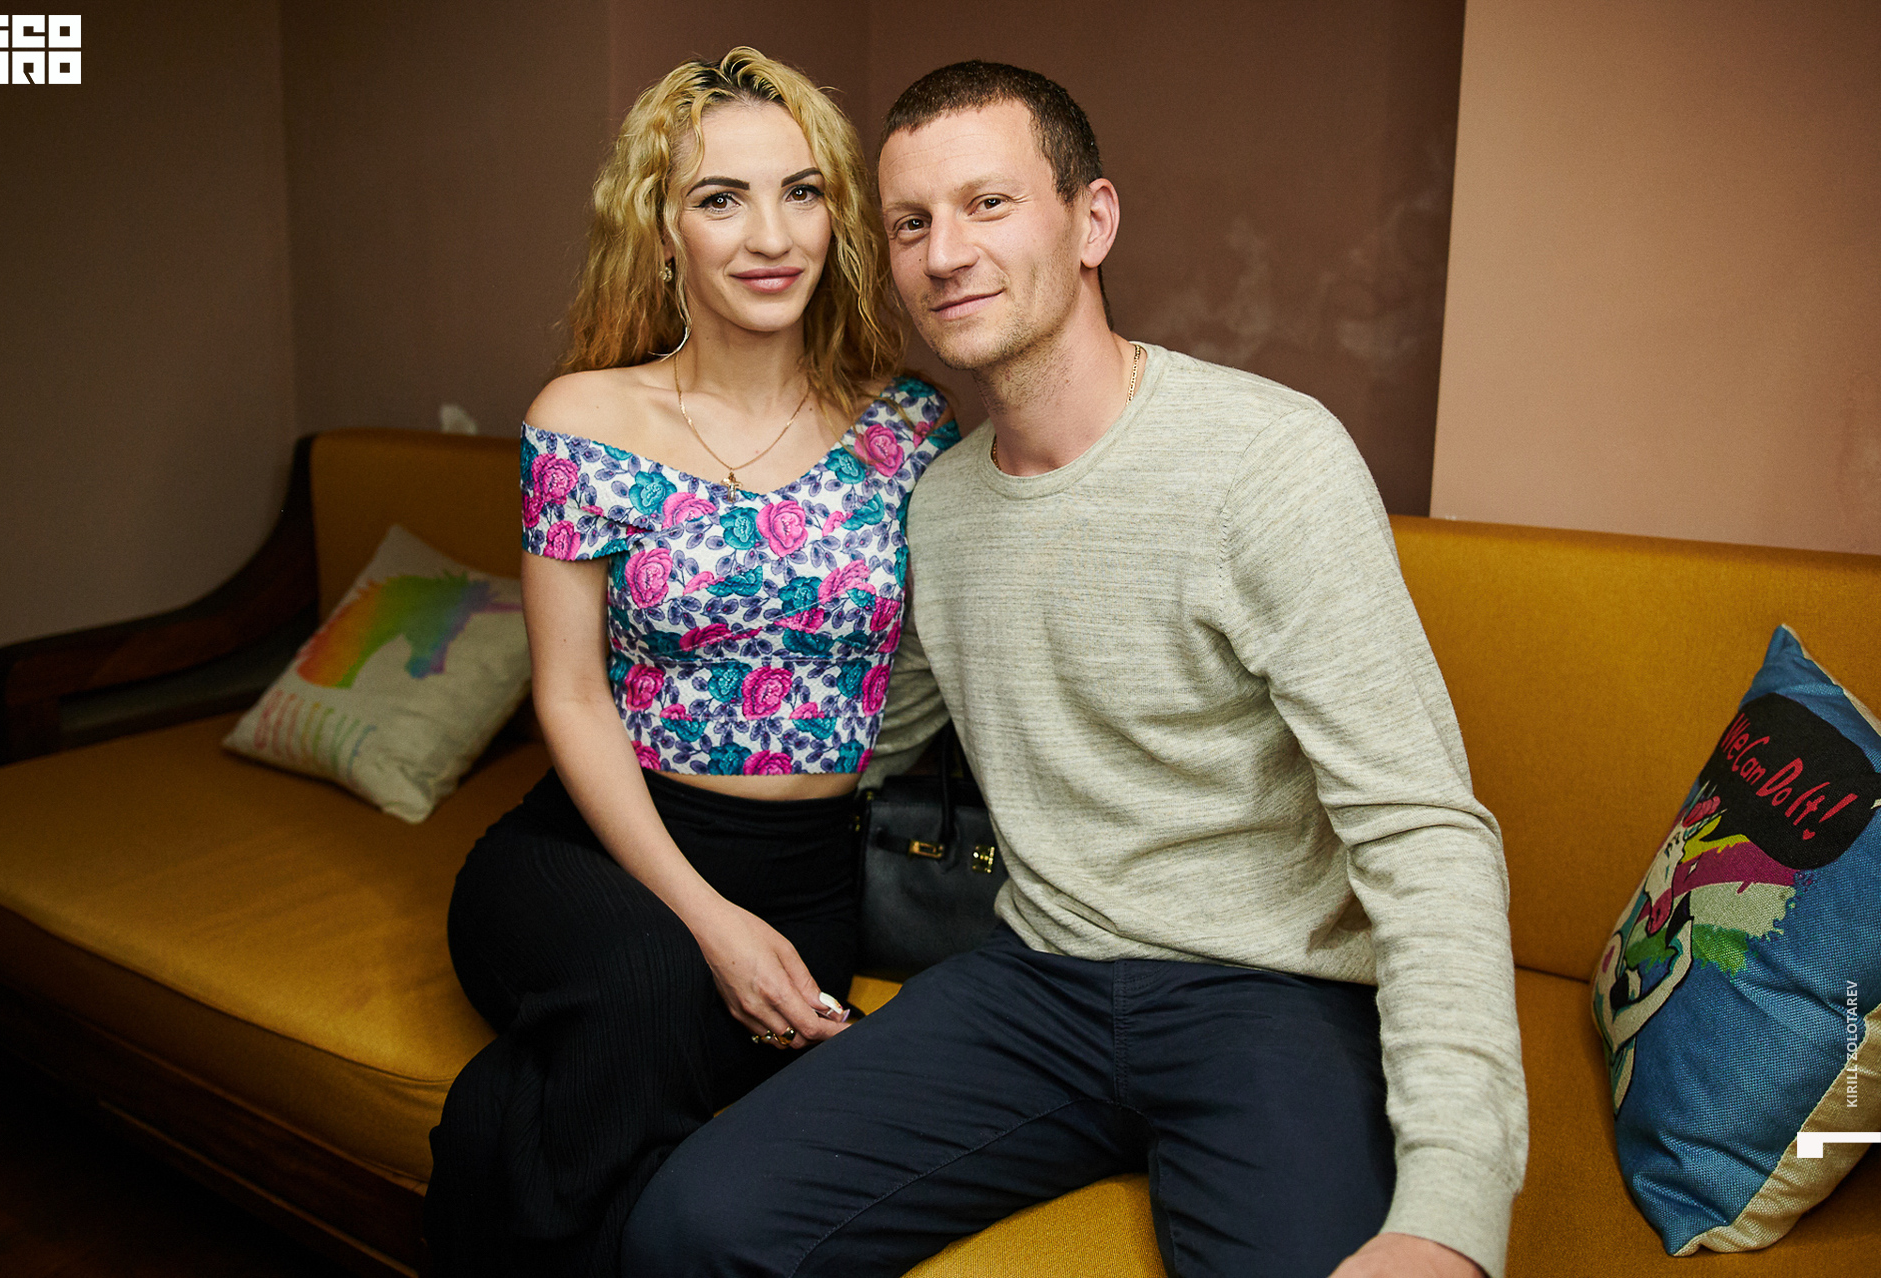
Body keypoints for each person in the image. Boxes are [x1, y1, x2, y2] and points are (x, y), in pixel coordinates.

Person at [622, 60, 1529, 1278]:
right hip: (1035, 982)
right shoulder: (941, 506)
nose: (946, 253)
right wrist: (624, 783)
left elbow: (1424, 832)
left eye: (988, 204)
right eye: (911, 223)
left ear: (1092, 220)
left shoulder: (1268, 460)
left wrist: (1452, 1212)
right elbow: (855, 742)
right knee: (691, 1229)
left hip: (1270, 996)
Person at [423, 48, 959, 1277]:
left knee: (521, 1101)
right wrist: (710, 925)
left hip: (806, 881)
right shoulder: (582, 418)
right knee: (647, 984)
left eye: (802, 192)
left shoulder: (910, 427)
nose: (771, 235)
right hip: (588, 852)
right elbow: (569, 694)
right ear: (664, 230)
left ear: (837, 216)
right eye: (722, 198)